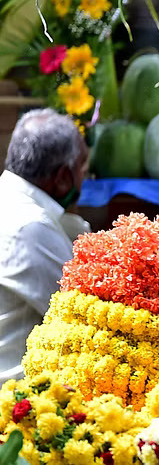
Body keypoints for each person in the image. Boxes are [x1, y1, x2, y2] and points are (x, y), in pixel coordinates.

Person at [0, 109, 89, 383]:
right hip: (14, 401)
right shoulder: (32, 226)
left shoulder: (11, 202)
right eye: (83, 169)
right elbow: (84, 314)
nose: (85, 179)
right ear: (63, 177)